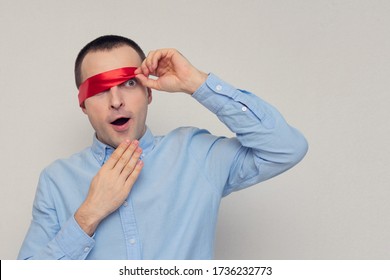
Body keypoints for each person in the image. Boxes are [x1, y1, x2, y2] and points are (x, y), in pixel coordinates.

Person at [18, 35, 308, 260]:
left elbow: (285, 147)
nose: (116, 100)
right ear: (83, 105)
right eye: (100, 89)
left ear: (148, 92)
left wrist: (197, 83)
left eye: (129, 83)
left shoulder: (195, 154)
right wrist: (88, 214)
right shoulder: (56, 180)